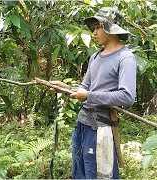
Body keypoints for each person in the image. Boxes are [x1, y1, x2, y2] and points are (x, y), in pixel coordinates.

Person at [50, 7, 137, 179]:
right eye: (94, 28)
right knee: (80, 172)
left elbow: (127, 97)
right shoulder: (95, 57)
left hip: (101, 128)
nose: (94, 32)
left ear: (110, 29)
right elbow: (85, 88)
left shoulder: (125, 58)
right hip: (82, 124)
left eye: (98, 27)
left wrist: (89, 96)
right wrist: (65, 88)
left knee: (99, 174)